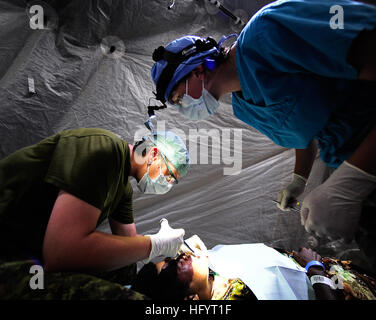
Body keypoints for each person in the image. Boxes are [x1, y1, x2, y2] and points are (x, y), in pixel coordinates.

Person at [150, 0, 376, 243]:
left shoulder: (269, 30)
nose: (183, 106)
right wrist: (298, 180)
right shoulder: (244, 108)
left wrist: (355, 178)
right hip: (351, 169)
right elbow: (303, 134)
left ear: (195, 71)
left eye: (179, 97)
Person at [0, 127, 189, 298]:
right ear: (153, 154)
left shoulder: (122, 187)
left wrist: (171, 247)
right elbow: (61, 252)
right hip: (9, 250)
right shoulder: (102, 149)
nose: (168, 183)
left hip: (31, 248)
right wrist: (155, 244)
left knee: (127, 268)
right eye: (169, 176)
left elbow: (129, 241)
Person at [131, 236, 376, 300]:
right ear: (190, 298)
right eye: (171, 269)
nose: (179, 258)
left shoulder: (213, 264)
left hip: (348, 279)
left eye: (171, 258)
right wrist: (314, 269)